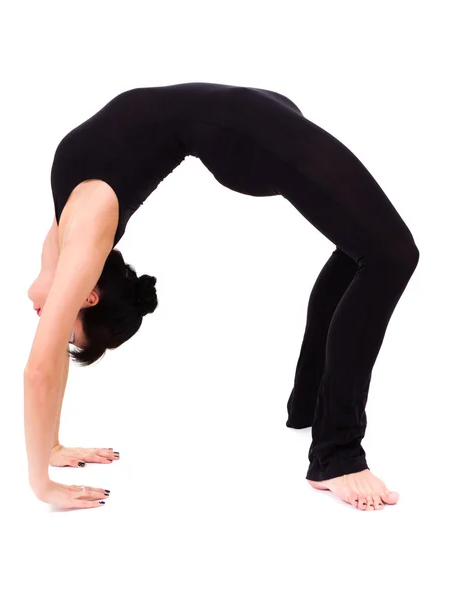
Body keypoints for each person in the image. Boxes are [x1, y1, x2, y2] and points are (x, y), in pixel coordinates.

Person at [25, 82, 418, 511]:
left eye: (66, 329)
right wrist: (51, 446)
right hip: (243, 121)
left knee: (388, 257)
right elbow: (49, 366)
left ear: (88, 299)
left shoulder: (79, 238)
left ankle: (334, 453)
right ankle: (314, 416)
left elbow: (38, 372)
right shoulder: (69, 232)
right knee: (375, 251)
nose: (53, 323)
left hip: (244, 127)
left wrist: (41, 485)